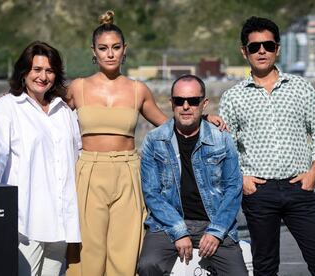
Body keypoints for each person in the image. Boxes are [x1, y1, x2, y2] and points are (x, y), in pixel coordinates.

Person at [65, 11, 226, 276]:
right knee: (88, 250)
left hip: (128, 171)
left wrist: (202, 117)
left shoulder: (138, 89)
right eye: (103, 48)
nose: (110, 54)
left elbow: (169, 124)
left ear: (124, 50)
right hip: (89, 171)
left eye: (116, 47)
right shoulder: (77, 87)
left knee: (125, 248)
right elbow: (46, 116)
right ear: (93, 51)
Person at [219, 16, 315, 276]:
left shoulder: (301, 88)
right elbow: (224, 148)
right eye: (254, 47)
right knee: (265, 266)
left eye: (268, 45)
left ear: (278, 49)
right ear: (244, 51)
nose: (262, 51)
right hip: (259, 193)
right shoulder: (233, 97)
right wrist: (243, 179)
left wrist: (314, 172)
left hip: (300, 190)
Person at [0, 41, 81, 276]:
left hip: (61, 222)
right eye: (37, 69)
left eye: (49, 70)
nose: (43, 76)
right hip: (26, 223)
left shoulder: (64, 111)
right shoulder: (7, 106)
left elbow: (78, 154)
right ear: (24, 72)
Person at [137, 75, 248, 276]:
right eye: (179, 101)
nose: (186, 106)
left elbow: (233, 188)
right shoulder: (154, 140)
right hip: (168, 222)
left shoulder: (221, 138)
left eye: (193, 101)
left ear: (204, 104)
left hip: (213, 220)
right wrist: (178, 231)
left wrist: (216, 232)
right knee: (147, 265)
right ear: (172, 103)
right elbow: (152, 193)